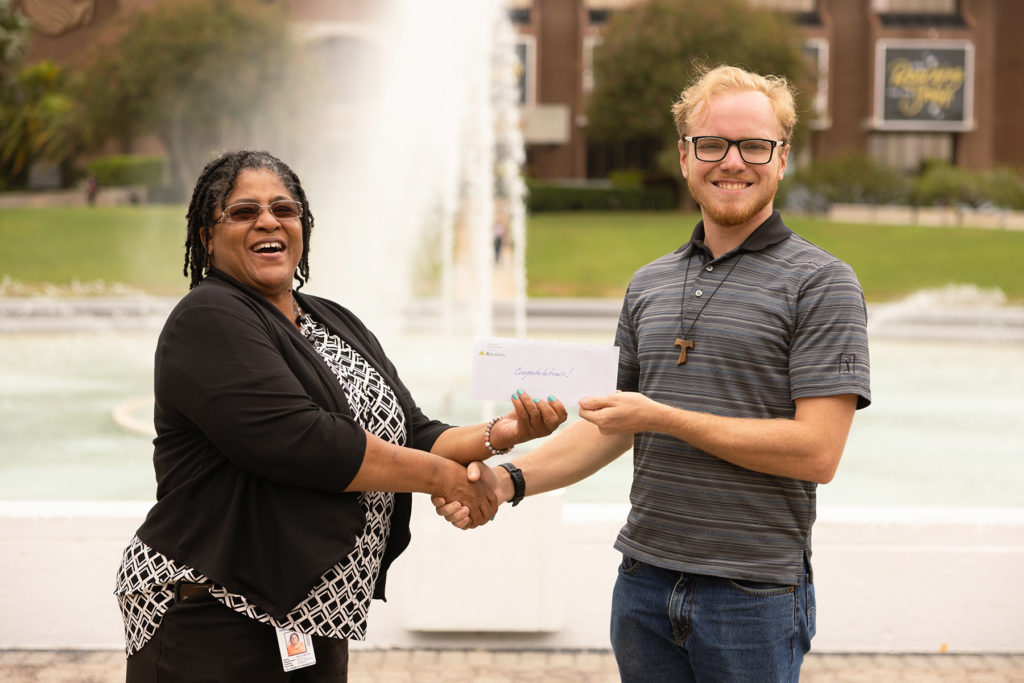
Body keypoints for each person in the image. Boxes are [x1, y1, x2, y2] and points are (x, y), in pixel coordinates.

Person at [435, 65, 871, 682]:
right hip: (643, 583)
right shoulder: (651, 284)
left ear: (782, 158)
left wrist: (661, 416)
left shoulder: (823, 283)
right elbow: (613, 426)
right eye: (712, 144)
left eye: (754, 145)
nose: (732, 162)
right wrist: (506, 481)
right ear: (685, 156)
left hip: (752, 595)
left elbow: (817, 451)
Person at [113, 149, 567, 682]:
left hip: (311, 618)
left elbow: (412, 431)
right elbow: (304, 441)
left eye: (285, 209)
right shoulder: (209, 317)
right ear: (208, 238)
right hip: (215, 613)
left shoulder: (331, 319)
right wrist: (446, 479)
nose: (268, 220)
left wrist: (502, 433)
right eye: (242, 211)